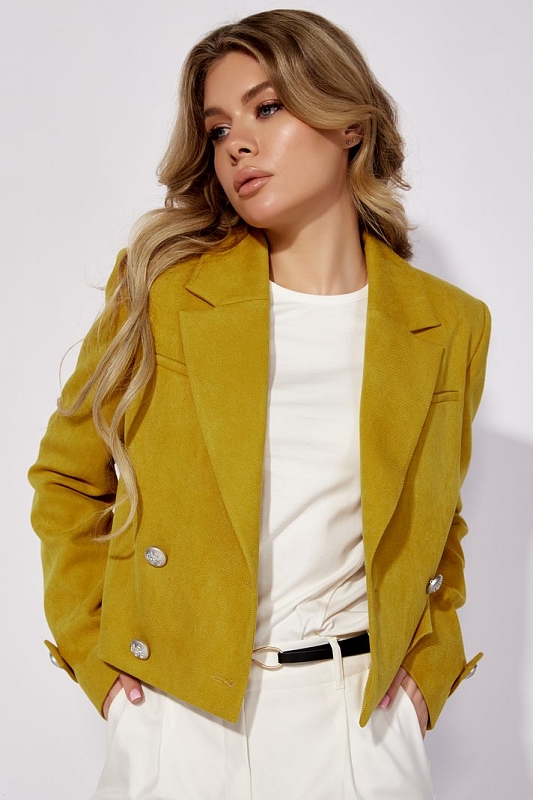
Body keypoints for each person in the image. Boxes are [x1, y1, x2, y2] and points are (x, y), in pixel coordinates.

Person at [28, 8, 491, 800]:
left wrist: (430, 666)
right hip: (180, 717)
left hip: (360, 723)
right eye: (217, 129)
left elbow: (435, 518)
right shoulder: (164, 292)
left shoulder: (447, 324)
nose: (236, 143)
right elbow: (67, 482)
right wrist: (99, 662)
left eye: (266, 108)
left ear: (348, 123)